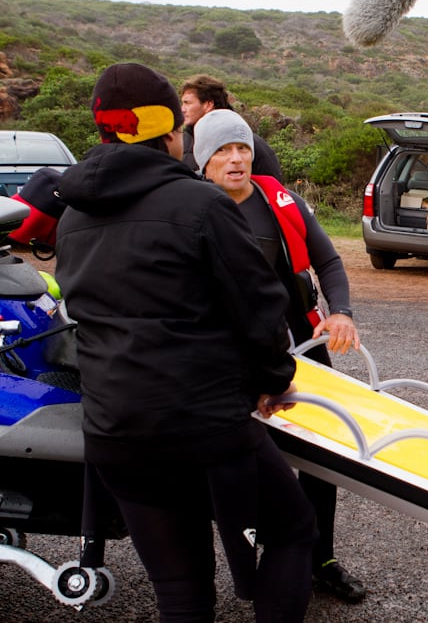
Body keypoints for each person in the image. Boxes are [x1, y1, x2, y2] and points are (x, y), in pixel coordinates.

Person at [55, 62, 317, 622]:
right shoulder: (201, 206)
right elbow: (260, 308)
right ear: (172, 133)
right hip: (203, 428)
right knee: (293, 532)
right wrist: (273, 380)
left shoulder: (73, 217)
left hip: (115, 433)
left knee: (180, 591)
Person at [193, 108, 367, 603]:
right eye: (222, 151)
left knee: (321, 456)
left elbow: (328, 259)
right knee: (247, 459)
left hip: (300, 344)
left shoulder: (278, 199)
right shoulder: (192, 208)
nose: (235, 159)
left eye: (242, 148)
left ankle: (321, 559)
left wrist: (342, 312)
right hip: (232, 358)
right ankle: (262, 558)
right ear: (203, 160)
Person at [179, 73, 283, 180]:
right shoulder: (181, 142)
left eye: (187, 103)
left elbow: (272, 189)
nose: (182, 109)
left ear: (208, 104)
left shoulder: (253, 145)